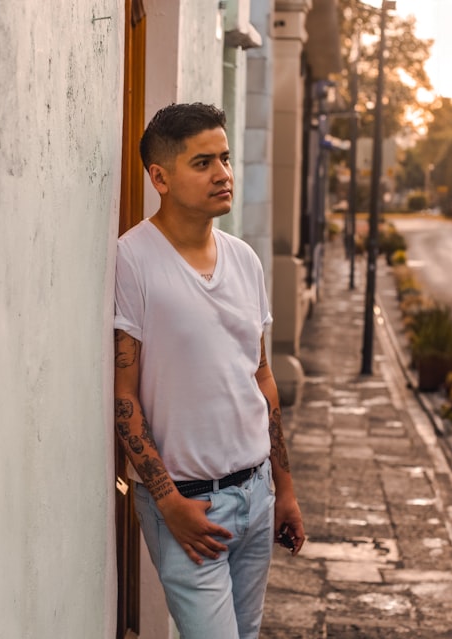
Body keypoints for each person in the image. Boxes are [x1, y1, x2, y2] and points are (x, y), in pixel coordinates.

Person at [113, 102, 305, 639]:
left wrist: (283, 490)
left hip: (257, 491)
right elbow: (123, 395)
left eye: (224, 158)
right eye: (202, 163)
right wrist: (169, 504)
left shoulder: (244, 259)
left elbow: (261, 377)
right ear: (161, 177)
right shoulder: (134, 258)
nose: (223, 173)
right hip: (188, 506)